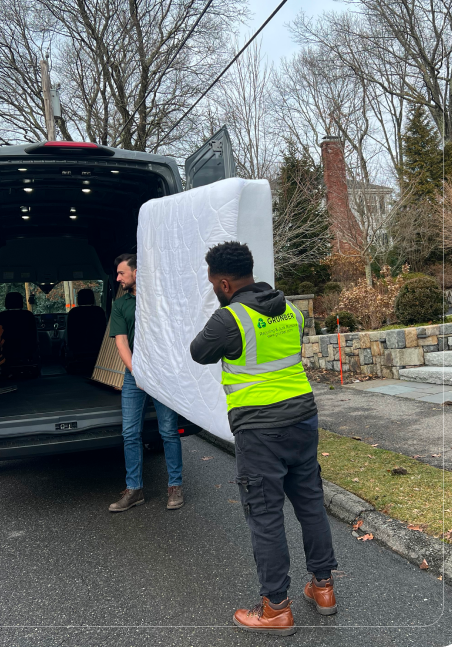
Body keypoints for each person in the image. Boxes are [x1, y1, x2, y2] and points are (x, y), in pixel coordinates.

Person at [190, 241, 337, 635]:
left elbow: (198, 352)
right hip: (303, 419)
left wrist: (224, 313)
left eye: (212, 283)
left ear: (223, 282)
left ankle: (275, 609)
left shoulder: (230, 319)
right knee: (309, 503)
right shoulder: (290, 310)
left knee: (265, 515)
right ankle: (323, 588)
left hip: (260, 429)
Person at [108, 253, 184, 512]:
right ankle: (134, 490)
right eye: (117, 275)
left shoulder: (161, 301)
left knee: (168, 432)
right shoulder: (120, 305)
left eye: (121, 273)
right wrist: (138, 372)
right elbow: (121, 342)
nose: (118, 278)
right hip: (134, 376)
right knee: (130, 433)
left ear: (137, 272)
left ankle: (175, 487)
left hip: (162, 374)